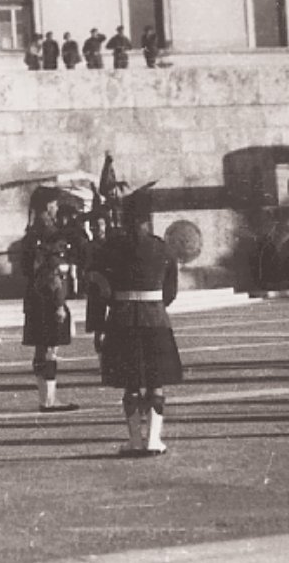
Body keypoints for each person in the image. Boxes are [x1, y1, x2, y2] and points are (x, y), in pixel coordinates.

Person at [88, 187, 182, 455]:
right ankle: (153, 440)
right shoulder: (162, 248)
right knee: (155, 380)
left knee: (130, 382)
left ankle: (135, 441)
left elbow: (97, 289)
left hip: (121, 319)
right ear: (146, 219)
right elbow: (170, 293)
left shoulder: (110, 248)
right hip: (155, 319)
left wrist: (98, 326)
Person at [21, 188, 80, 413]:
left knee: (40, 347)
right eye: (54, 204)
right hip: (48, 298)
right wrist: (58, 303)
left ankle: (44, 397)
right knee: (49, 349)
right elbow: (53, 272)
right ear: (47, 207)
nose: (56, 208)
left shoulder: (31, 233)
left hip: (33, 297)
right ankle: (49, 401)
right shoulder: (50, 234)